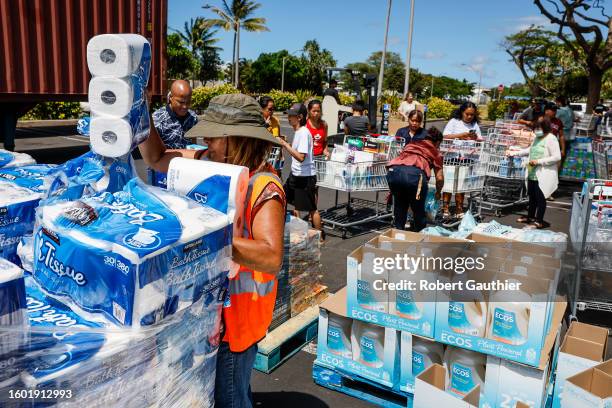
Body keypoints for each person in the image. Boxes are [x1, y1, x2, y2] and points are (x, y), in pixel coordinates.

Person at [139, 93, 286, 408]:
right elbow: (155, 157)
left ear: (237, 140)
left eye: (214, 135)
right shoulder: (207, 161)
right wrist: (139, 111)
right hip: (203, 312)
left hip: (236, 323)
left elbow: (270, 256)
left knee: (229, 398)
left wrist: (202, 240)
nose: (205, 139)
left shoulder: (265, 186)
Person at [278, 103, 324, 238]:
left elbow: (301, 157)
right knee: (284, 199)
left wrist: (285, 145)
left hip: (305, 177)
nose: (289, 118)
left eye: (291, 116)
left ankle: (320, 237)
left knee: (311, 209)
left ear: (299, 117)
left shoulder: (303, 133)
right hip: (296, 175)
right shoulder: (298, 132)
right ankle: (296, 233)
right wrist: (288, 144)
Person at [387, 126, 444, 231]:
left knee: (400, 206)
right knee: (418, 209)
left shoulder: (411, 144)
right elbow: (439, 178)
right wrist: (438, 192)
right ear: (437, 143)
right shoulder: (436, 153)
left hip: (393, 172)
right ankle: (419, 235)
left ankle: (398, 233)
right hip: (415, 176)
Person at [509, 117, 561, 229]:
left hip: (543, 173)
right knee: (532, 196)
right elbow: (530, 150)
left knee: (540, 197)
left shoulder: (551, 138)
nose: (536, 131)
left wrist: (539, 161)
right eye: (535, 128)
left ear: (545, 128)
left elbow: (557, 157)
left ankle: (539, 220)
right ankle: (530, 217)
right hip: (532, 171)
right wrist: (515, 153)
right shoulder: (537, 138)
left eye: (538, 128)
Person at [441, 101, 482, 219]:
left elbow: (480, 140)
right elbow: (445, 136)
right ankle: (445, 207)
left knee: (461, 185)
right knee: (448, 183)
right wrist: (460, 135)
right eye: (467, 114)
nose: (469, 117)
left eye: (472, 115)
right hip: (451, 157)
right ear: (462, 112)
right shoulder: (454, 122)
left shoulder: (474, 125)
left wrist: (475, 138)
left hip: (466, 157)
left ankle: (459, 207)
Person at [152, 80, 198, 149]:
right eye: (181, 102)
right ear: (170, 97)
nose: (185, 106)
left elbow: (194, 146)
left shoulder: (192, 117)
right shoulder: (157, 120)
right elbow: (155, 153)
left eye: (188, 102)